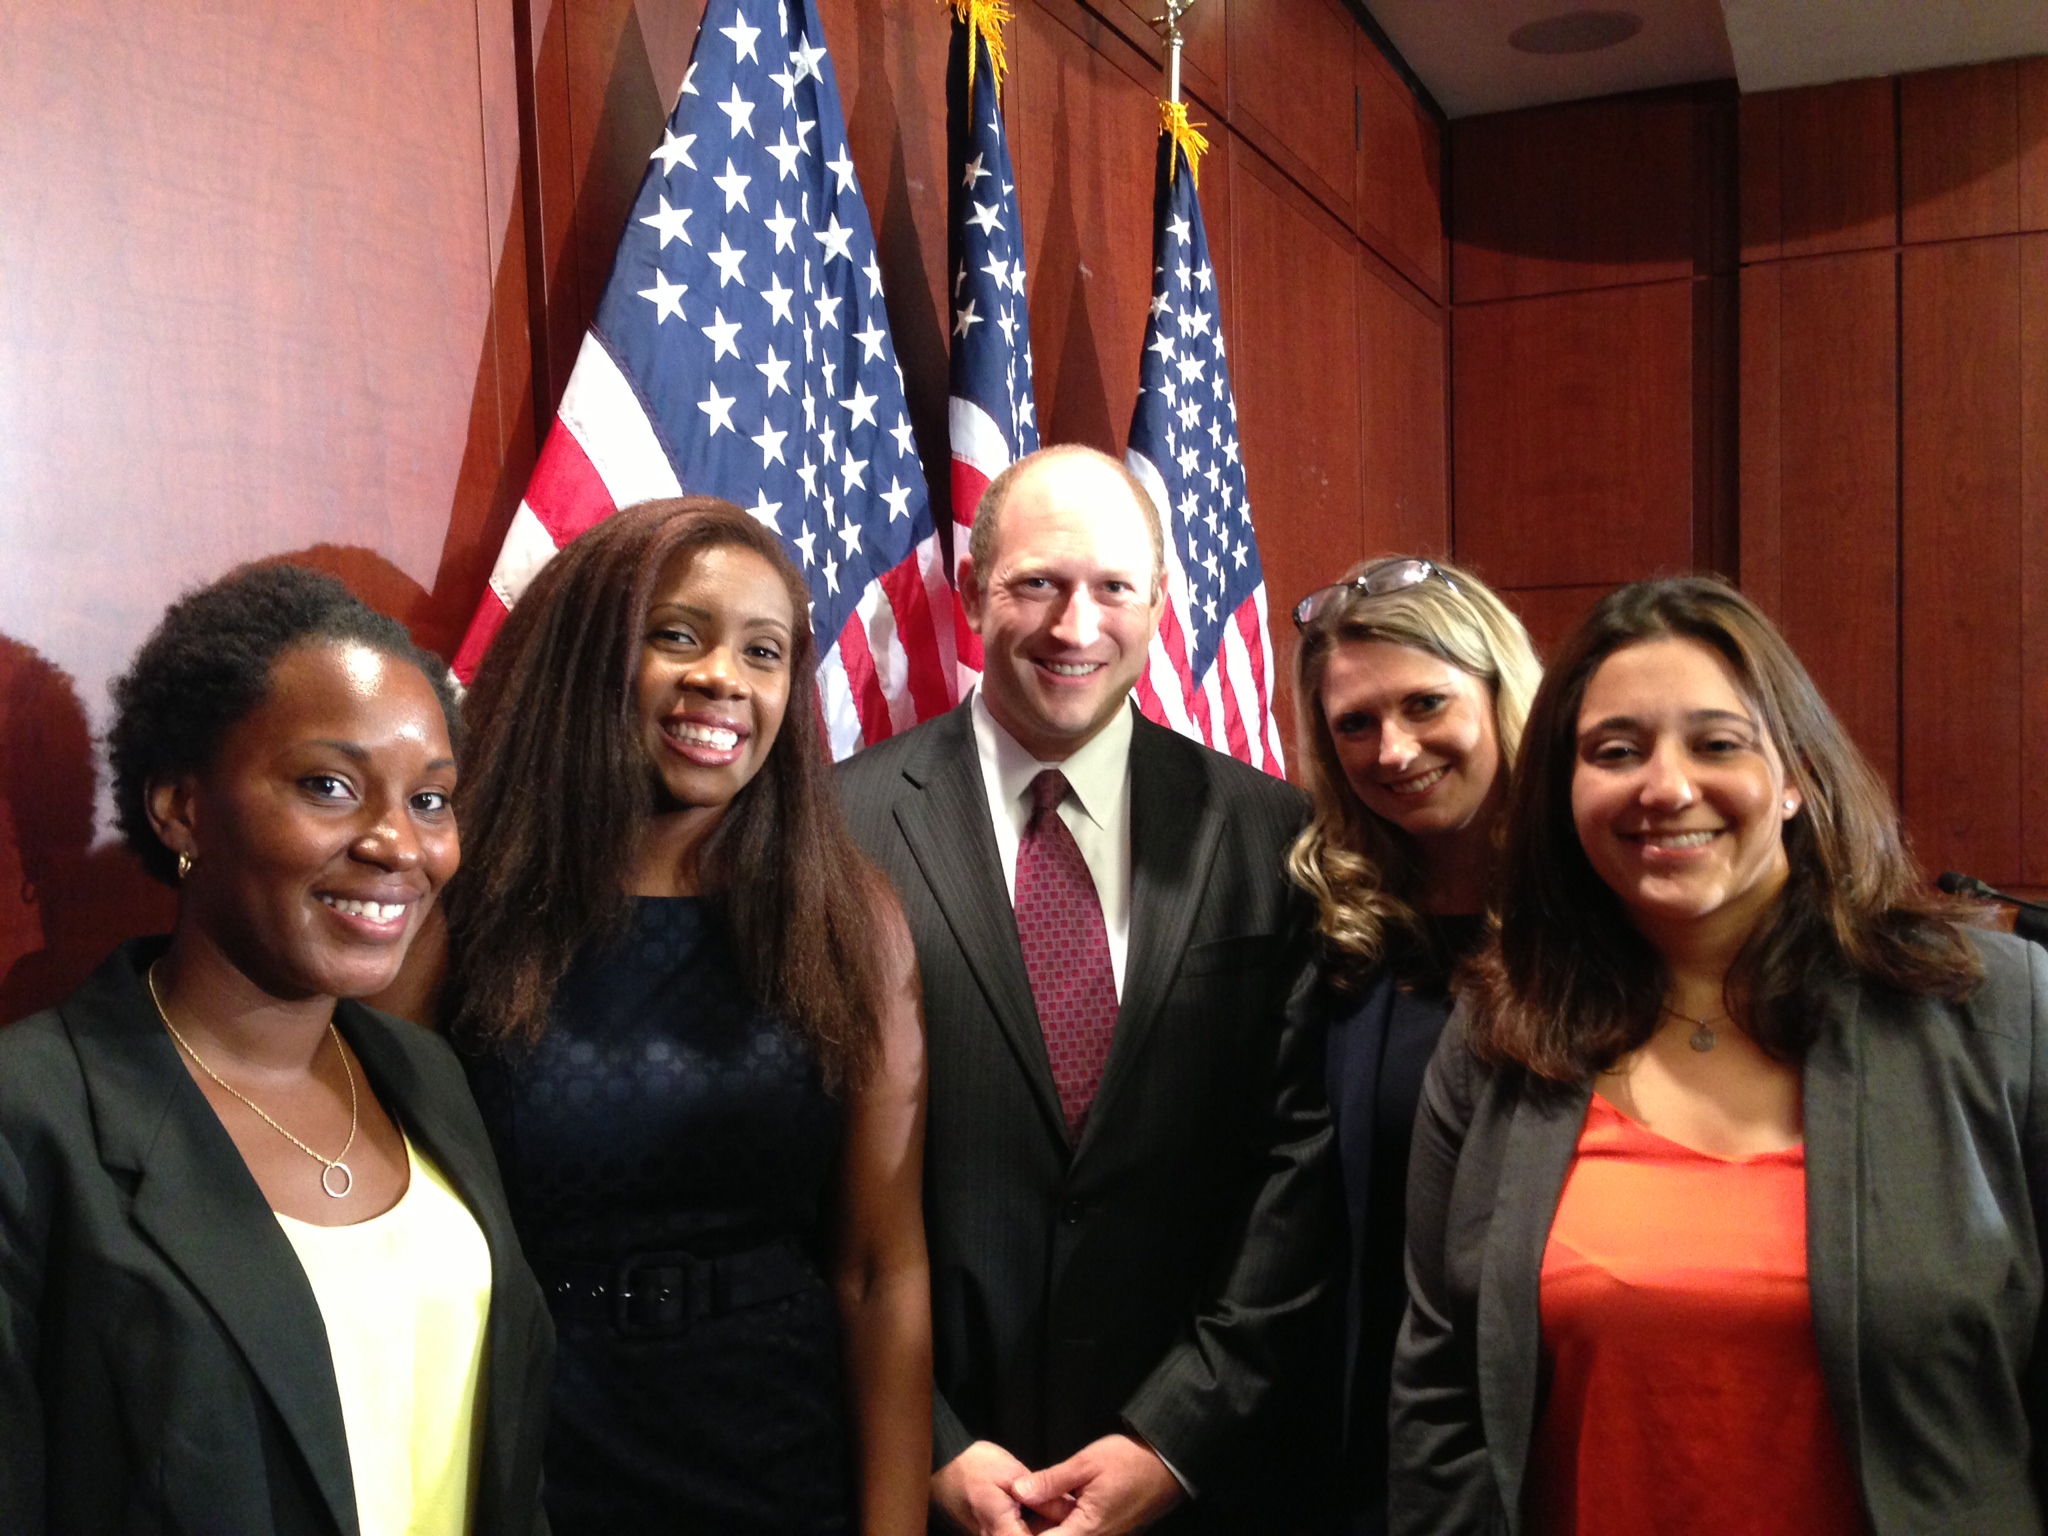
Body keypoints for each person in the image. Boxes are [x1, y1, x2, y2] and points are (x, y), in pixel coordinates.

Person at [1389, 575, 2048, 1536]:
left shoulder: (1994, 1011)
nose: (1665, 786)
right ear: (1567, 791)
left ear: (1794, 777)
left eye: (1717, 743)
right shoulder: (1501, 1031)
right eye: (1615, 751)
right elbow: (1441, 1387)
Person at [837, 444, 1334, 1536]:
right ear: (971, 594)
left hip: (1203, 1483)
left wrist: (1173, 1437)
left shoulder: (1271, 837)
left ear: (1158, 602)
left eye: (1112, 586)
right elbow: (792, 1162)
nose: (1075, 626)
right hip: (923, 1486)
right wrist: (932, 1443)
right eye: (1036, 584)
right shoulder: (835, 833)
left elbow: (1297, 1174)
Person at [0, 563, 553, 1535]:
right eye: (329, 785)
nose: (398, 844)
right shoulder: (30, 1119)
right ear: (181, 807)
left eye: (430, 800)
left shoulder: (424, 1075)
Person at [443, 497, 930, 1536]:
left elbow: (882, 1272)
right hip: (532, 1450)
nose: (724, 679)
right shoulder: (463, 904)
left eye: (763, 653)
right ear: (587, 653)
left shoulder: (849, 912)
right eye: (677, 635)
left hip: (773, 1456)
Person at [1285, 556, 1539, 1534]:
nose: (1391, 750)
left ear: (1499, 692)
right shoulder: (1325, 924)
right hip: (1350, 1439)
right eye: (1354, 722)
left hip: (1534, 1435)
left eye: (1425, 703)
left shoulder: (1607, 923)